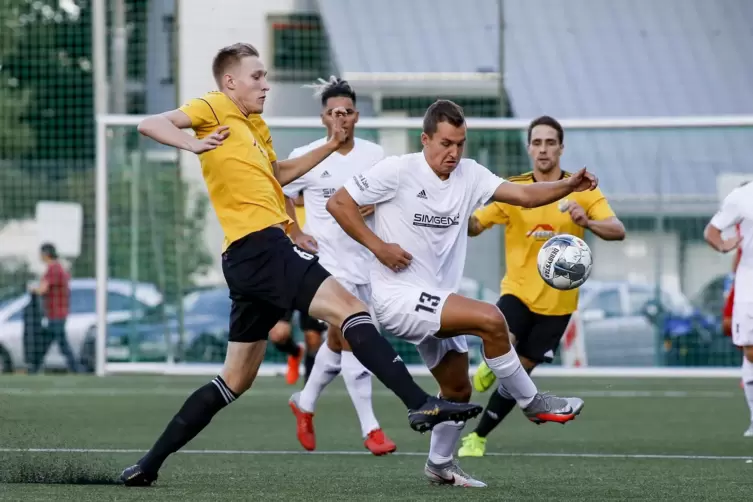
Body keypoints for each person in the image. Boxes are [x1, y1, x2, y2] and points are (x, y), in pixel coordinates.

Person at [121, 43, 481, 487]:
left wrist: (331, 145)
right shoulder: (213, 107)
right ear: (230, 81)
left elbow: (279, 175)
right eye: (257, 76)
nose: (266, 84)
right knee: (352, 311)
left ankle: (147, 465)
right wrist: (192, 143)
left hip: (247, 257)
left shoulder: (256, 127)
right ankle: (419, 402)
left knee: (234, 379)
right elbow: (149, 123)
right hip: (261, 246)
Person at [327, 100, 588, 487]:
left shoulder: (470, 174)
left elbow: (525, 196)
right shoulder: (398, 170)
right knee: (491, 320)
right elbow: (339, 203)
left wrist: (568, 185)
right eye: (446, 143)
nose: (453, 153)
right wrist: (379, 248)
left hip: (434, 298)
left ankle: (440, 465)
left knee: (457, 388)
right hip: (397, 296)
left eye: (460, 144)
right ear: (426, 139)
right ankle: (533, 403)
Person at [458, 116, 626, 457]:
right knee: (501, 342)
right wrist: (456, 214)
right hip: (517, 292)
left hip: (558, 305)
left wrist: (588, 221)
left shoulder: (584, 190)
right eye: (537, 142)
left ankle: (478, 437)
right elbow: (476, 225)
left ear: (561, 148)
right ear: (529, 148)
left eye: (550, 142)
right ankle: (489, 363)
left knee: (518, 377)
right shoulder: (514, 189)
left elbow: (617, 229)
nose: (543, 149)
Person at [283, 76, 396, 455]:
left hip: (369, 263)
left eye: (346, 112)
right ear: (323, 118)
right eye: (333, 113)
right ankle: (371, 427)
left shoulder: (375, 156)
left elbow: (395, 196)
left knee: (338, 339)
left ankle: (305, 401)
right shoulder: (309, 153)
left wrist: (377, 205)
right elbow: (280, 191)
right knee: (356, 338)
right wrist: (295, 231)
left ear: (357, 116)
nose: (340, 118)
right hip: (329, 266)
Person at [704, 180, 752, 437]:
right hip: (747, 284)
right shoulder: (741, 199)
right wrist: (725, 246)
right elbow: (714, 232)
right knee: (747, 346)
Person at [28, 243, 79, 374]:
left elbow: (43, 289)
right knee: (47, 342)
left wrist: (32, 289)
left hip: (57, 313)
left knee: (60, 343)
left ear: (46, 254)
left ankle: (76, 369)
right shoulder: (58, 268)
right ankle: (34, 368)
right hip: (55, 313)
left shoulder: (54, 269)